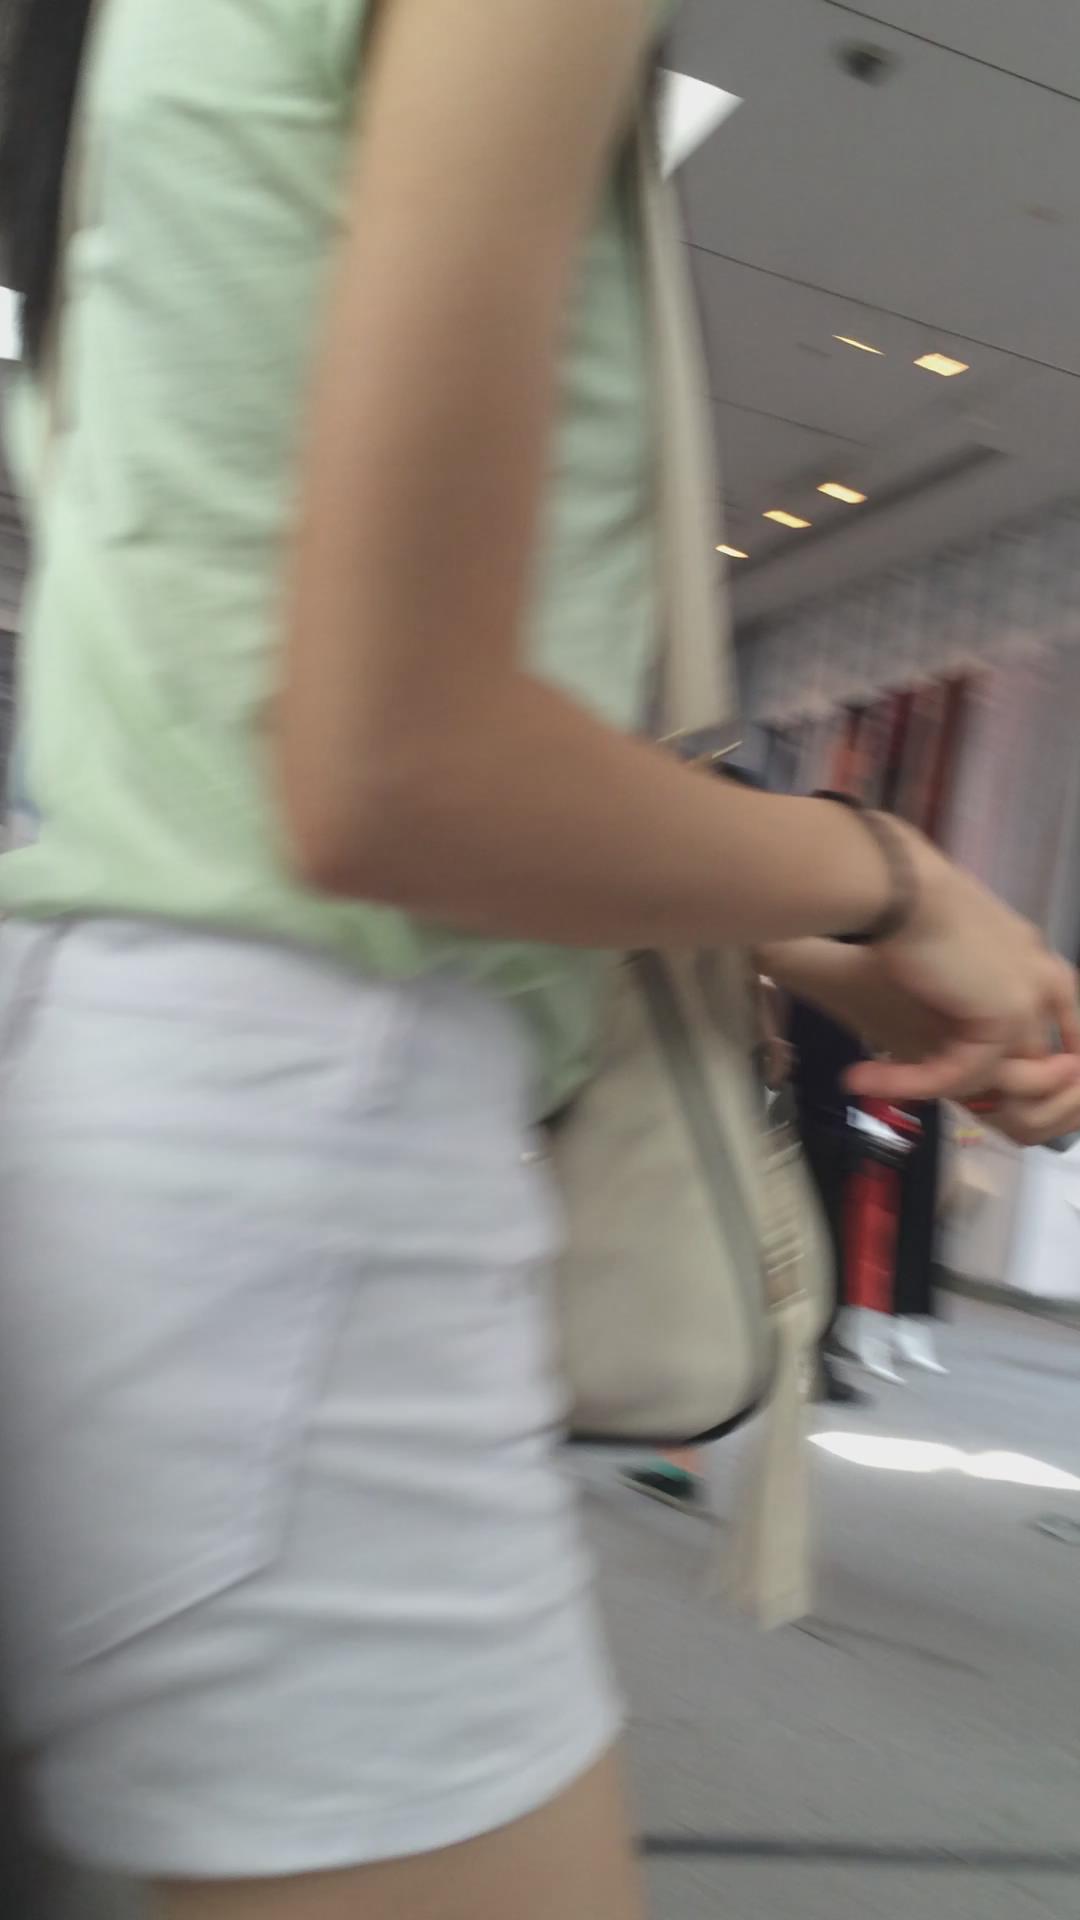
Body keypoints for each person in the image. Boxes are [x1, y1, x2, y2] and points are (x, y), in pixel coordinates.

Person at [1, 6, 1080, 1919]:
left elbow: (258, 724)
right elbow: (397, 773)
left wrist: (811, 931)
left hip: (144, 1101)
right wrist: (897, 877)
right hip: (306, 1183)